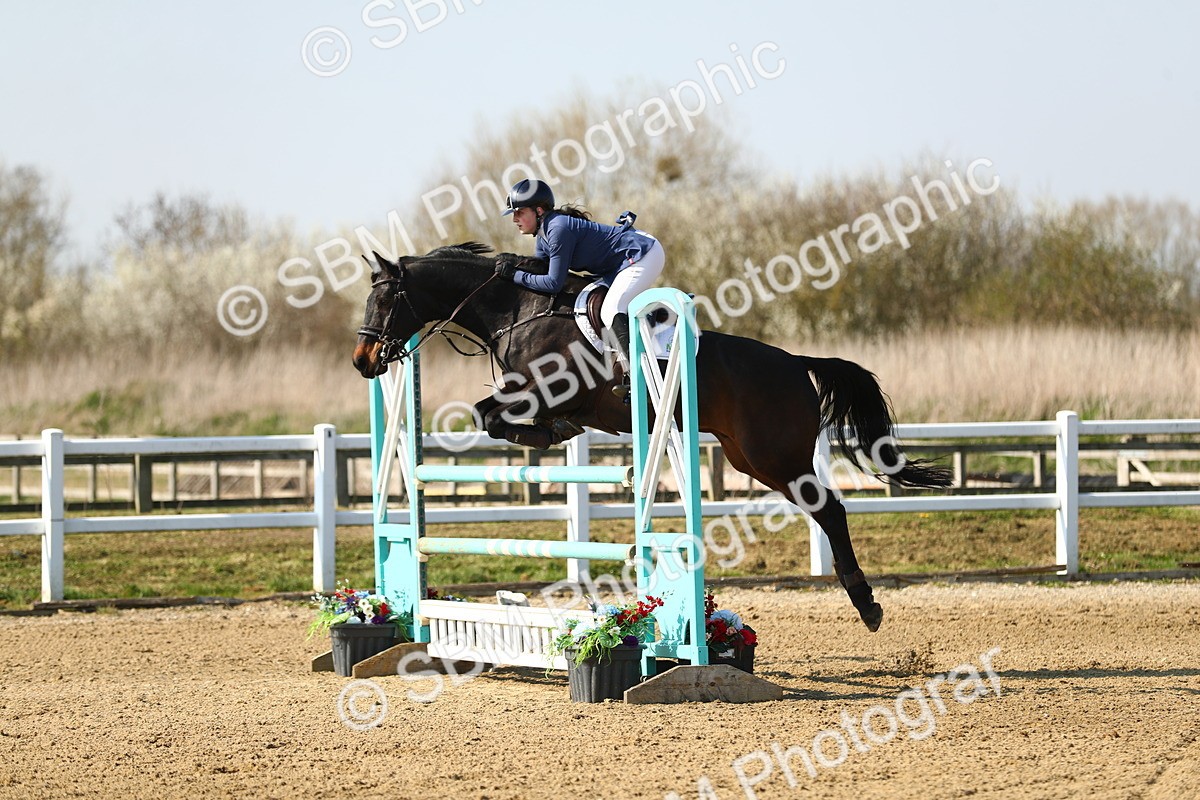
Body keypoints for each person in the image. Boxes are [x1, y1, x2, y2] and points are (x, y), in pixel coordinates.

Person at [495, 178, 665, 399]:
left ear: (538, 210)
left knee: (611, 308)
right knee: (595, 304)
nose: (515, 219)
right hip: (617, 266)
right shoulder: (543, 236)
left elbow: (553, 283)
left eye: (519, 212)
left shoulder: (557, 229)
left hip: (641, 253)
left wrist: (515, 275)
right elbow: (540, 279)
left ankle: (639, 375)